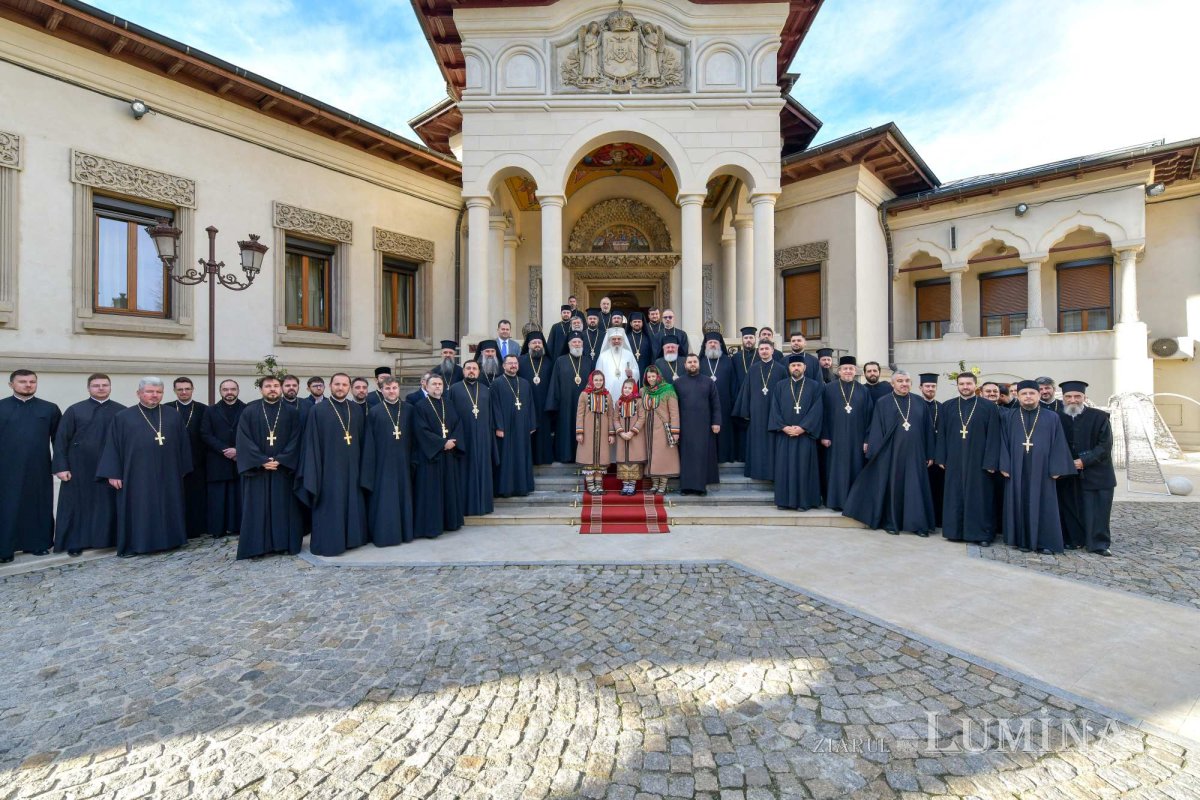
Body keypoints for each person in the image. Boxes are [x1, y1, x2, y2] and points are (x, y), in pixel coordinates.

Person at [96, 377, 192, 557]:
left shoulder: (172, 414)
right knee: (141, 508)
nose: (154, 395)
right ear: (139, 393)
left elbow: (183, 444)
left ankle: (171, 540)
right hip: (137, 473)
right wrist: (113, 473)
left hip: (168, 472)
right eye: (149, 391)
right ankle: (138, 544)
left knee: (168, 504)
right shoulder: (123, 417)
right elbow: (112, 446)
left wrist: (183, 468)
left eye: (158, 392)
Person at [842, 370, 936, 536]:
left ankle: (918, 525)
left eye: (907, 380)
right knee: (894, 488)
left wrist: (929, 453)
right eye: (900, 381)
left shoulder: (919, 402)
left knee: (915, 488)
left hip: (915, 454)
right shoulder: (883, 402)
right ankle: (892, 522)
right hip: (892, 454)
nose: (904, 384)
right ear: (892, 384)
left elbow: (928, 430)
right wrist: (877, 454)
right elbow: (877, 428)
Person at [295, 373, 369, 557]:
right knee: (331, 504)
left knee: (352, 502)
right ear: (330, 386)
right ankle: (330, 543)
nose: (341, 387)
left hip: (353, 468)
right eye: (337, 384)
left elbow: (362, 440)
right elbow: (311, 443)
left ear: (349, 387)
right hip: (328, 469)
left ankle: (352, 540)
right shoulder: (318, 411)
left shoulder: (356, 409)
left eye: (344, 384)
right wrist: (315, 471)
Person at [999, 380, 1076, 554]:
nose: (1028, 397)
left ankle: (1045, 542)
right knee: (1018, 502)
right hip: (1015, 468)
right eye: (1024, 393)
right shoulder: (1009, 416)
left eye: (1031, 393)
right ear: (1017, 396)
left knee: (1044, 504)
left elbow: (1058, 443)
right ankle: (1020, 540)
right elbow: (1002, 441)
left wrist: (1057, 468)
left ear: (1039, 395)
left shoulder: (1052, 417)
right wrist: (1004, 464)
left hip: (1043, 470)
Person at [52, 373, 124, 556]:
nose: (101, 388)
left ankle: (110, 539)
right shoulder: (75, 410)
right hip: (79, 467)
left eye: (105, 385)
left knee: (108, 504)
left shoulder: (122, 411)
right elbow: (61, 440)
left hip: (111, 467)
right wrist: (61, 466)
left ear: (110, 387)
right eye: (96, 385)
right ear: (88, 388)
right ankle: (76, 542)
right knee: (78, 505)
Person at [235, 376, 304, 559]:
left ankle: (283, 544)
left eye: (275, 386)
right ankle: (257, 547)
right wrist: (261, 460)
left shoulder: (291, 412)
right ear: (261, 389)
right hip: (258, 470)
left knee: (283, 508)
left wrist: (281, 459)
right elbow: (243, 439)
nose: (272, 389)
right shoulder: (249, 411)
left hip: (283, 470)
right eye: (268, 386)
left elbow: (296, 439)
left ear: (280, 388)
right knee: (257, 509)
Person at [936, 372, 1002, 546]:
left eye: (968, 384)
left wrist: (991, 461)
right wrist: (941, 456)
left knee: (979, 497)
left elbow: (994, 436)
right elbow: (941, 433)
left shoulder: (988, 407)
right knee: (954, 494)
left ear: (975, 385)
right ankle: (954, 531)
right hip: (955, 458)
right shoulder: (948, 406)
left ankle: (981, 534)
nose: (965, 387)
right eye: (962, 384)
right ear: (957, 385)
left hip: (979, 460)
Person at [1, 370, 60, 562]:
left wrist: (60, 465)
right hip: (6, 468)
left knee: (39, 505)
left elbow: (58, 441)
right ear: (11, 385)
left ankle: (39, 544)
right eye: (23, 381)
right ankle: (5, 549)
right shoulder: (1, 407)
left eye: (32, 381)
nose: (28, 385)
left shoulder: (49, 409)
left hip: (39, 466)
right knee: (7, 507)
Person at [1056, 380, 1116, 556]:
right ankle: (1074, 540)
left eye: (1077, 396)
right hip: (1068, 473)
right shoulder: (1056, 418)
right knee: (1071, 508)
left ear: (1084, 397)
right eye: (1068, 396)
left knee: (1098, 510)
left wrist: (1084, 460)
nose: (1073, 400)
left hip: (1097, 472)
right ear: (1063, 398)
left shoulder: (1099, 417)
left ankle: (1098, 544)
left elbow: (1105, 446)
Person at [360, 375, 414, 547]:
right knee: (385, 499)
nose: (392, 391)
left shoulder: (409, 409)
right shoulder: (375, 411)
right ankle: (385, 535)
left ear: (399, 389)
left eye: (395, 388)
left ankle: (405, 533)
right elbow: (369, 441)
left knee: (403, 497)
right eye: (388, 388)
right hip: (383, 464)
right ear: (382, 390)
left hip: (404, 462)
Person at [409, 374, 465, 537]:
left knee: (449, 489)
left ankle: (450, 523)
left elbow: (458, 424)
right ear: (426, 386)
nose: (437, 387)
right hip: (431, 457)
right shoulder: (420, 406)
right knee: (431, 493)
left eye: (440, 384)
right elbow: (420, 431)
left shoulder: (449, 404)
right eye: (434, 384)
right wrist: (442, 443)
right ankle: (432, 527)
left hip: (448, 456)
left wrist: (453, 442)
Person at [769, 355, 824, 511]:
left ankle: (804, 502)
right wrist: (784, 427)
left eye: (799, 365)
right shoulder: (780, 386)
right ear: (789, 368)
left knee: (804, 468)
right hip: (784, 435)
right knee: (784, 468)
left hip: (805, 436)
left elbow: (817, 410)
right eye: (793, 366)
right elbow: (775, 409)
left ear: (804, 367)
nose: (796, 368)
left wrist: (803, 428)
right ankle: (784, 501)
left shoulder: (814, 386)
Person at [819, 356, 874, 511]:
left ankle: (853, 502)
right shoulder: (828, 389)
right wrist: (824, 434)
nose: (848, 371)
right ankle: (835, 501)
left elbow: (870, 417)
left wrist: (867, 439)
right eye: (845, 368)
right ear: (839, 371)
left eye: (851, 368)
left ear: (855, 370)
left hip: (857, 439)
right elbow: (822, 414)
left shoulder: (863, 390)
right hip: (834, 439)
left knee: (855, 468)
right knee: (835, 469)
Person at [732, 340, 788, 480]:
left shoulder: (781, 369)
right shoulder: (753, 369)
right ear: (758, 351)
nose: (764, 351)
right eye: (761, 349)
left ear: (772, 350)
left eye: (766, 349)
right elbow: (746, 391)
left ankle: (772, 473)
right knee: (756, 443)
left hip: (774, 413)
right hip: (756, 413)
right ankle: (756, 472)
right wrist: (745, 412)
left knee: (772, 443)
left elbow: (786, 392)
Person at [447, 360, 495, 516]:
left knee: (482, 469)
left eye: (474, 368)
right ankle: (465, 507)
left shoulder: (486, 390)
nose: (471, 371)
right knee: (464, 471)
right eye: (468, 368)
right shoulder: (454, 389)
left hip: (483, 436)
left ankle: (484, 506)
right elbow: (450, 415)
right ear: (463, 371)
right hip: (463, 436)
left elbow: (491, 416)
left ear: (479, 372)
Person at [200, 379, 245, 538]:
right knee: (218, 497)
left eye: (232, 389)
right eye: (225, 389)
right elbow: (205, 433)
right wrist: (224, 450)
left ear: (238, 390)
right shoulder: (210, 411)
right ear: (220, 391)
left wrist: (238, 450)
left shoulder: (247, 409)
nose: (229, 392)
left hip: (240, 459)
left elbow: (251, 434)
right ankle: (218, 529)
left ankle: (239, 527)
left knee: (238, 496)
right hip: (218, 459)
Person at [164, 376, 207, 538]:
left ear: (192, 390)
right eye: (180, 389)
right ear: (174, 391)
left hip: (198, 459)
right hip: (172, 461)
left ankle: (197, 528)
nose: (184, 392)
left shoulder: (203, 409)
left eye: (187, 389)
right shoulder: (166, 409)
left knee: (196, 495)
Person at [674, 354, 721, 495]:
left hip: (704, 426)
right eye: (690, 362)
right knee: (686, 456)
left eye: (695, 362)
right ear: (685, 365)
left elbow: (716, 404)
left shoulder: (708, 382)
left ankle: (700, 488)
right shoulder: (678, 383)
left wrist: (716, 422)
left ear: (699, 364)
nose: (692, 364)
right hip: (684, 426)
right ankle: (686, 487)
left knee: (701, 456)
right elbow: (672, 406)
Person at [491, 354, 536, 498]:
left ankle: (522, 488)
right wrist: (499, 427)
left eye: (515, 363)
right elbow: (494, 407)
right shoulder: (497, 383)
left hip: (522, 427)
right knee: (507, 458)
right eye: (510, 363)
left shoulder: (524, 383)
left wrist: (531, 423)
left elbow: (530, 405)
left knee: (522, 456)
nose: (513, 366)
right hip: (505, 428)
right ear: (503, 366)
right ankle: (506, 489)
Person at [547, 332, 594, 463]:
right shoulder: (560, 361)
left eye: (579, 342)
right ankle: (565, 456)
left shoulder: (588, 361)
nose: (577, 344)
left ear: (583, 344)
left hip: (585, 404)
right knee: (565, 429)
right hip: (565, 404)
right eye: (574, 342)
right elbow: (554, 384)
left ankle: (583, 457)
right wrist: (554, 404)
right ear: (569, 345)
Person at [641, 366, 681, 495]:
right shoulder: (643, 391)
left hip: (663, 429)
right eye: (649, 377)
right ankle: (654, 485)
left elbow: (674, 412)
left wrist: (675, 431)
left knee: (663, 458)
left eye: (654, 376)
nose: (651, 379)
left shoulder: (668, 389)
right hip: (647, 429)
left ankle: (662, 485)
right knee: (651, 457)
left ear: (659, 376)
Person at [517, 332, 555, 465]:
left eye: (539, 343)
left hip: (545, 403)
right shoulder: (520, 361)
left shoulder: (549, 362)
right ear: (528, 345)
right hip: (526, 403)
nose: (537, 345)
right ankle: (529, 459)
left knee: (544, 432)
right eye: (534, 343)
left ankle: (544, 458)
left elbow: (553, 383)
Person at [576, 370, 616, 495]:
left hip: (603, 433)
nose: (598, 382)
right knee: (589, 459)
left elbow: (610, 415)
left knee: (601, 459)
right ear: (591, 381)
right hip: (588, 432)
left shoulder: (607, 396)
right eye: (596, 380)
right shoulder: (584, 394)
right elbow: (580, 414)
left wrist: (611, 433)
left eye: (600, 380)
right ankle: (591, 485)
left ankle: (599, 485)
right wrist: (579, 432)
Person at [700, 332, 736, 463]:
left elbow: (734, 382)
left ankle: (724, 456)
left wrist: (733, 401)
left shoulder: (727, 360)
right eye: (710, 343)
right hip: (705, 403)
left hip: (725, 403)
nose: (713, 344)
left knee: (724, 430)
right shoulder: (700, 361)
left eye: (715, 342)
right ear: (705, 345)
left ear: (720, 345)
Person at [918, 373, 945, 528]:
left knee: (937, 489)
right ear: (921, 387)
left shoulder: (942, 407)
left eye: (933, 386)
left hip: (937, 455)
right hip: (921, 454)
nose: (930, 389)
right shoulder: (915, 405)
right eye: (927, 386)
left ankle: (937, 520)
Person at [613, 378, 646, 495]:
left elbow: (642, 418)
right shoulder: (619, 402)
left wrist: (632, 432)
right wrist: (621, 432)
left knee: (633, 461)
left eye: (629, 388)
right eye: (625, 388)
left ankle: (632, 485)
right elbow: (615, 418)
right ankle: (625, 485)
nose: (627, 390)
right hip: (622, 437)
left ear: (634, 389)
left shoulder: (638, 402)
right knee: (624, 461)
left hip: (635, 437)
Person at [731, 326, 759, 462]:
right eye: (746, 338)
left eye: (751, 338)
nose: (748, 340)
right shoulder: (735, 357)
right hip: (740, 398)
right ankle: (741, 456)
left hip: (757, 398)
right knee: (741, 429)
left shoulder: (761, 355)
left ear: (755, 339)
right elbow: (733, 378)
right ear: (742, 340)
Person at [596, 327, 640, 402]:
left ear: (623, 340)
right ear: (609, 341)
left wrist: (632, 373)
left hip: (626, 390)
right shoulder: (603, 356)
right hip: (607, 390)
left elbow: (637, 371)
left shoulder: (629, 354)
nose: (616, 341)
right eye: (613, 339)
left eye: (619, 339)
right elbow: (597, 374)